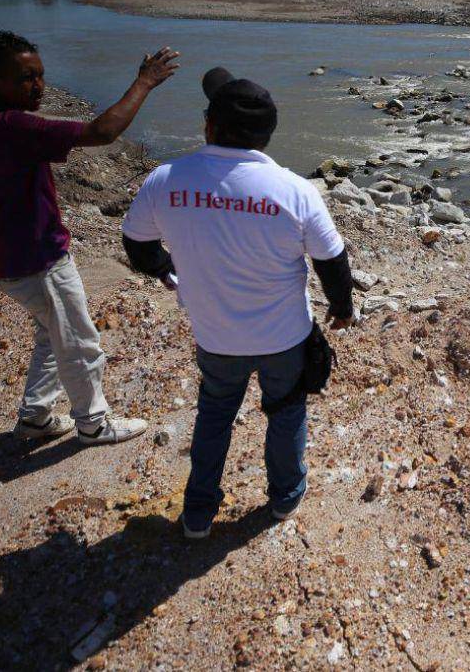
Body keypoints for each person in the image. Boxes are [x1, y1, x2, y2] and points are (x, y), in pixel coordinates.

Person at [121, 67, 354, 539]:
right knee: (285, 412)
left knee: (215, 415)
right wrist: (342, 306)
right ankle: (285, 498)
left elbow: (136, 243)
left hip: (215, 335)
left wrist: (166, 269)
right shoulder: (295, 190)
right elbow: (332, 260)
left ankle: (198, 512)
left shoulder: (166, 180)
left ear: (208, 125)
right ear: (267, 136)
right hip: (284, 337)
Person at [0, 30, 179, 446]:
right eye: (26, 78)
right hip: (38, 260)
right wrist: (144, 82)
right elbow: (103, 132)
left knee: (51, 333)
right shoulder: (13, 125)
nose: (39, 86)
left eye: (40, 75)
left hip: (3, 257)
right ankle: (93, 424)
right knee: (78, 340)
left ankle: (36, 417)